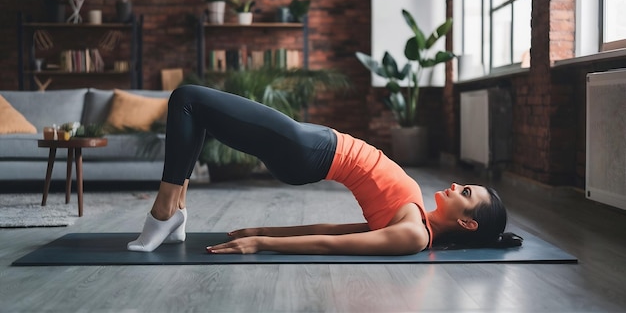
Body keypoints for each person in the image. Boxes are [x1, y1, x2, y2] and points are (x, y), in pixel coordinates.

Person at [128, 85, 522, 254]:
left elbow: (333, 244)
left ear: (469, 224)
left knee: (186, 100)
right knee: (197, 112)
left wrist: (261, 245)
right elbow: (336, 230)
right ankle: (174, 211)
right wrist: (260, 230)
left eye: (466, 193)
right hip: (312, 143)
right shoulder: (416, 217)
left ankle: (164, 211)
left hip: (306, 150)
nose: (457, 185)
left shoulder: (414, 236)